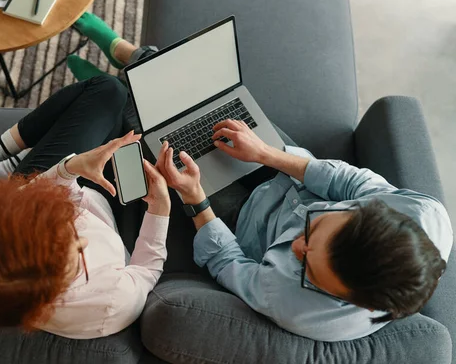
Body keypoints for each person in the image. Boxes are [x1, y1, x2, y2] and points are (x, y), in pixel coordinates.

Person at [0, 13, 175, 339]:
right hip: (119, 215)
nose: (82, 238)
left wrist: (70, 169)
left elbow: (32, 199)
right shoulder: (109, 305)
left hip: (56, 185)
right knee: (151, 119)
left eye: (62, 228)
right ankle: (126, 59)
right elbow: (146, 269)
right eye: (77, 260)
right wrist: (159, 209)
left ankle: (0, 155)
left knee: (107, 92)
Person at [152, 117, 453, 341]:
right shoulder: (423, 213)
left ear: (347, 298)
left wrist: (194, 197)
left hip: (241, 222)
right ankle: (136, 54)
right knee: (212, 110)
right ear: (366, 209)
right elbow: (347, 182)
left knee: (153, 131)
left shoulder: (296, 306)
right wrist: (264, 153)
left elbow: (229, 262)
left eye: (305, 264)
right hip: (294, 174)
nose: (295, 247)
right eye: (314, 228)